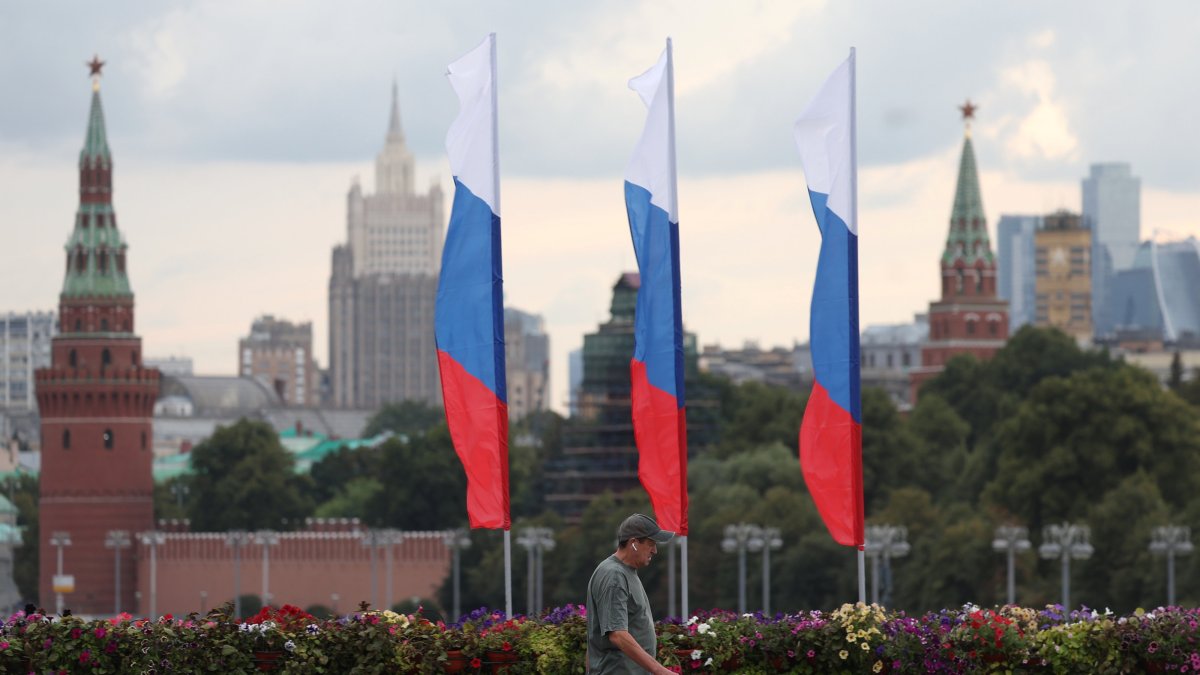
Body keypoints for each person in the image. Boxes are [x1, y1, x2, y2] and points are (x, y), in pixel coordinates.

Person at [585, 513, 675, 674]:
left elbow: (595, 638)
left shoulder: (624, 572)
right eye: (650, 543)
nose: (654, 550)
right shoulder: (614, 576)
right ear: (634, 543)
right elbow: (617, 634)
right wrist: (661, 671)